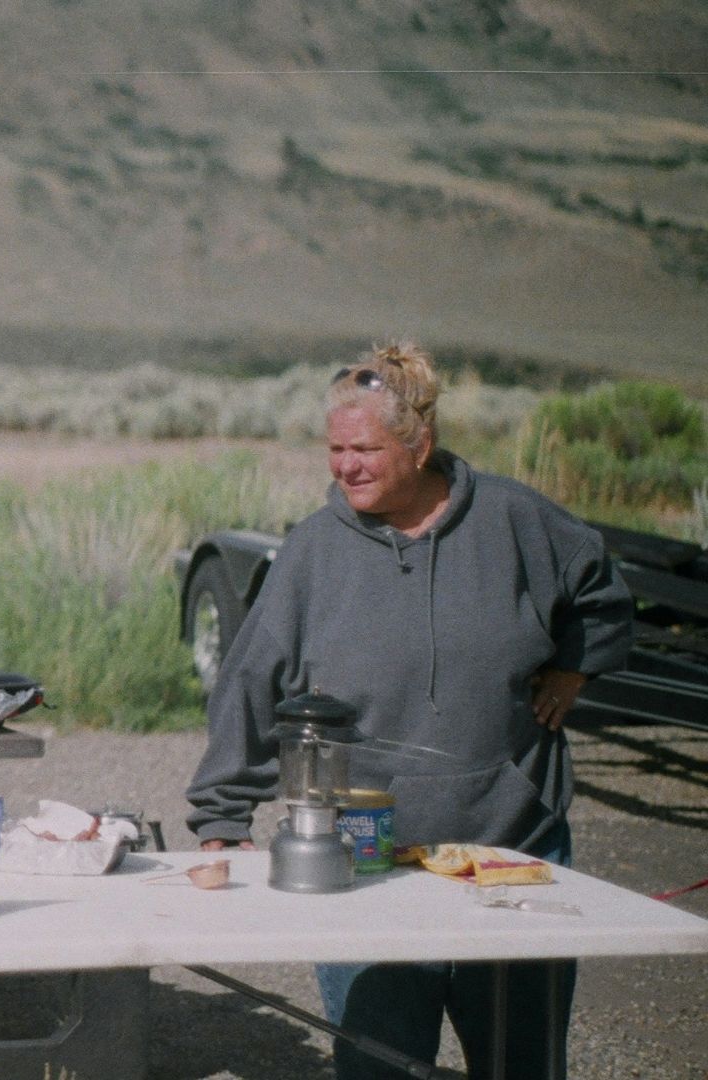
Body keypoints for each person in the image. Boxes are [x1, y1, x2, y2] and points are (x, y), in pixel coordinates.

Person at [185, 341, 634, 1079]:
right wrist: (221, 818)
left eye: (364, 448)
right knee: (381, 1070)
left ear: (420, 445)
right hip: (363, 864)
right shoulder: (313, 551)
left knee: (523, 1065)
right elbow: (248, 685)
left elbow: (602, 591)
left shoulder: (518, 521)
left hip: (512, 855)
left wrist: (574, 668)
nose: (344, 466)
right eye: (334, 449)